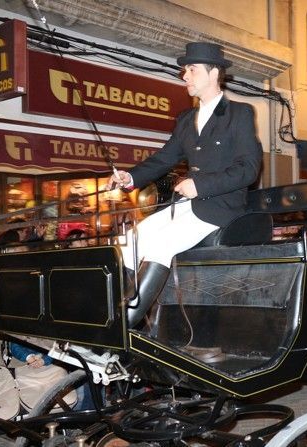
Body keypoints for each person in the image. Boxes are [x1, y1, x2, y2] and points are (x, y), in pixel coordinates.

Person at [107, 42, 262, 327]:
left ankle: (123, 328)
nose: (185, 76)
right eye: (184, 70)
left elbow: (248, 169)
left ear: (214, 73)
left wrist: (200, 185)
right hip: (187, 205)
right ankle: (113, 318)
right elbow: (164, 158)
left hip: (220, 208)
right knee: (128, 241)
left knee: (160, 245)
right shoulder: (186, 119)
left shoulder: (239, 114)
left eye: (192, 70)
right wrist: (131, 177)